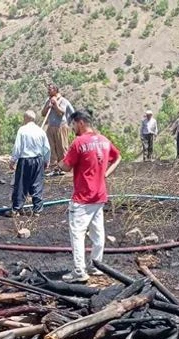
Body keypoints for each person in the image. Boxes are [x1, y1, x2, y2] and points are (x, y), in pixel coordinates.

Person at [60, 109, 121, 283]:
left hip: (82, 197)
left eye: (73, 124)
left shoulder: (79, 142)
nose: (73, 128)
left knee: (77, 234)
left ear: (80, 122)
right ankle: (96, 265)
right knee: (98, 233)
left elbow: (66, 166)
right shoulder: (104, 140)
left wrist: (58, 163)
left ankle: (79, 271)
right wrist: (106, 173)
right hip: (99, 195)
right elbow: (118, 157)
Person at [8, 110, 50, 216]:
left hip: (25, 160)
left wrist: (13, 160)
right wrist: (46, 160)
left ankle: (16, 209)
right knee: (37, 184)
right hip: (38, 160)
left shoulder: (22, 130)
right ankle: (37, 210)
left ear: (25, 118)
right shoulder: (40, 131)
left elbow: (17, 147)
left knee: (21, 184)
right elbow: (46, 148)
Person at [40, 84, 75, 175]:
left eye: (50, 89)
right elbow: (43, 113)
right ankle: (54, 168)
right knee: (51, 147)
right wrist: (48, 106)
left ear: (55, 90)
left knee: (62, 147)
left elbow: (61, 113)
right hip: (51, 127)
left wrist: (55, 104)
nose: (48, 91)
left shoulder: (63, 101)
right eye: (48, 89)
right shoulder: (48, 101)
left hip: (61, 127)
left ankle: (64, 167)